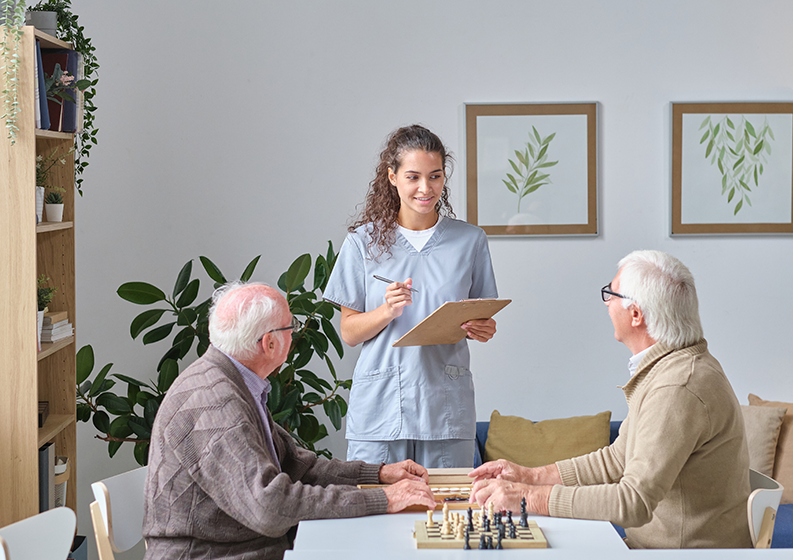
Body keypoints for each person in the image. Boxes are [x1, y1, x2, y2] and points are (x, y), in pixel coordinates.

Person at [469, 250, 752, 549]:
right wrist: (529, 476)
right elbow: (617, 459)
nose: (606, 303)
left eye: (611, 294)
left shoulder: (678, 387)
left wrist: (526, 497)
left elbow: (633, 502)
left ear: (636, 315)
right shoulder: (672, 368)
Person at [143, 282, 435, 560]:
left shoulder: (234, 382)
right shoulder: (216, 402)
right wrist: (383, 500)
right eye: (290, 326)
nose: (294, 334)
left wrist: (378, 475)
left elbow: (297, 465)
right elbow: (268, 507)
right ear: (269, 344)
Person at [323, 124, 498, 468]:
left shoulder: (470, 241)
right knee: (375, 515)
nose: (425, 188)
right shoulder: (362, 242)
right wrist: (385, 312)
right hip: (380, 410)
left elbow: (484, 319)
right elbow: (349, 332)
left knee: (450, 515)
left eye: (435, 176)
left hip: (445, 409)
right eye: (413, 177)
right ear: (392, 177)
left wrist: (484, 329)